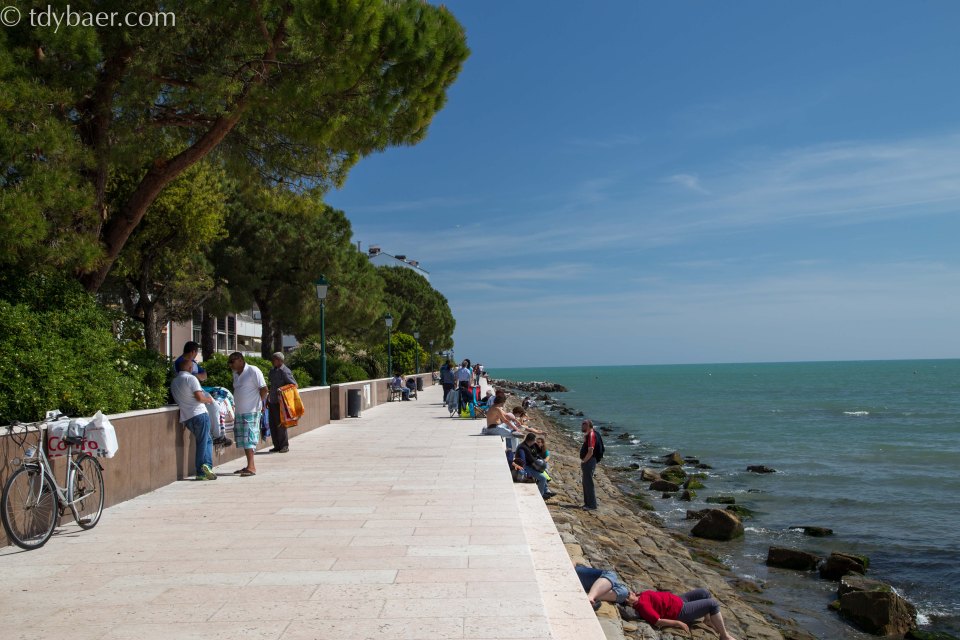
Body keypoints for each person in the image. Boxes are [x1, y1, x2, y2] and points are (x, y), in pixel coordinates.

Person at [627, 587, 738, 640]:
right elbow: (658, 621)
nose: (630, 592)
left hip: (679, 600)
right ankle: (724, 635)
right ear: (628, 601)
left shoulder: (638, 596)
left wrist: (637, 594)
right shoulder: (642, 606)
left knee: (704, 592)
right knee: (712, 604)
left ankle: (708, 620)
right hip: (680, 611)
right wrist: (678, 623)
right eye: (629, 594)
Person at [170, 359, 217, 481]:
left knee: (206, 440)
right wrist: (209, 400)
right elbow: (199, 398)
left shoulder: (174, 381)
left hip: (187, 417)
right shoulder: (191, 379)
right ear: (190, 368)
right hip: (199, 414)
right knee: (204, 442)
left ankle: (205, 467)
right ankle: (202, 470)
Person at [229, 352, 267, 476]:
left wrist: (260, 405)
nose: (230, 365)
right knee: (244, 440)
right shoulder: (235, 374)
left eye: (232, 362)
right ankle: (249, 465)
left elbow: (264, 389)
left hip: (251, 411)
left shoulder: (253, 370)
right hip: (240, 412)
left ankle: (252, 467)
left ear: (240, 360)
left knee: (249, 438)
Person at [267, 352, 297, 453]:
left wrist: (282, 389)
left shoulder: (285, 371)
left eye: (274, 359)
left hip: (281, 403)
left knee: (281, 425)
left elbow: (294, 385)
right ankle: (276, 446)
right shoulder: (272, 371)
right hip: (272, 401)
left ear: (280, 360)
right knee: (272, 424)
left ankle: (284, 446)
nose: (272, 361)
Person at [513, 433, 553, 499]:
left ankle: (545, 491)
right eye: (534, 441)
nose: (535, 442)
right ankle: (541, 495)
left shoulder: (528, 446)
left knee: (544, 474)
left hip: (530, 466)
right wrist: (527, 472)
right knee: (543, 478)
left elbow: (537, 453)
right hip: (526, 467)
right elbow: (523, 461)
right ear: (531, 441)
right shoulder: (522, 448)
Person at [580, 419, 599, 510]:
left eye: (584, 424)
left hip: (589, 461)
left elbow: (591, 450)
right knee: (586, 483)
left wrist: (584, 461)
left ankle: (592, 505)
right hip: (589, 461)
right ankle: (587, 503)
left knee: (588, 483)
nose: (582, 425)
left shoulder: (591, 435)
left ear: (588, 426)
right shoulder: (589, 435)